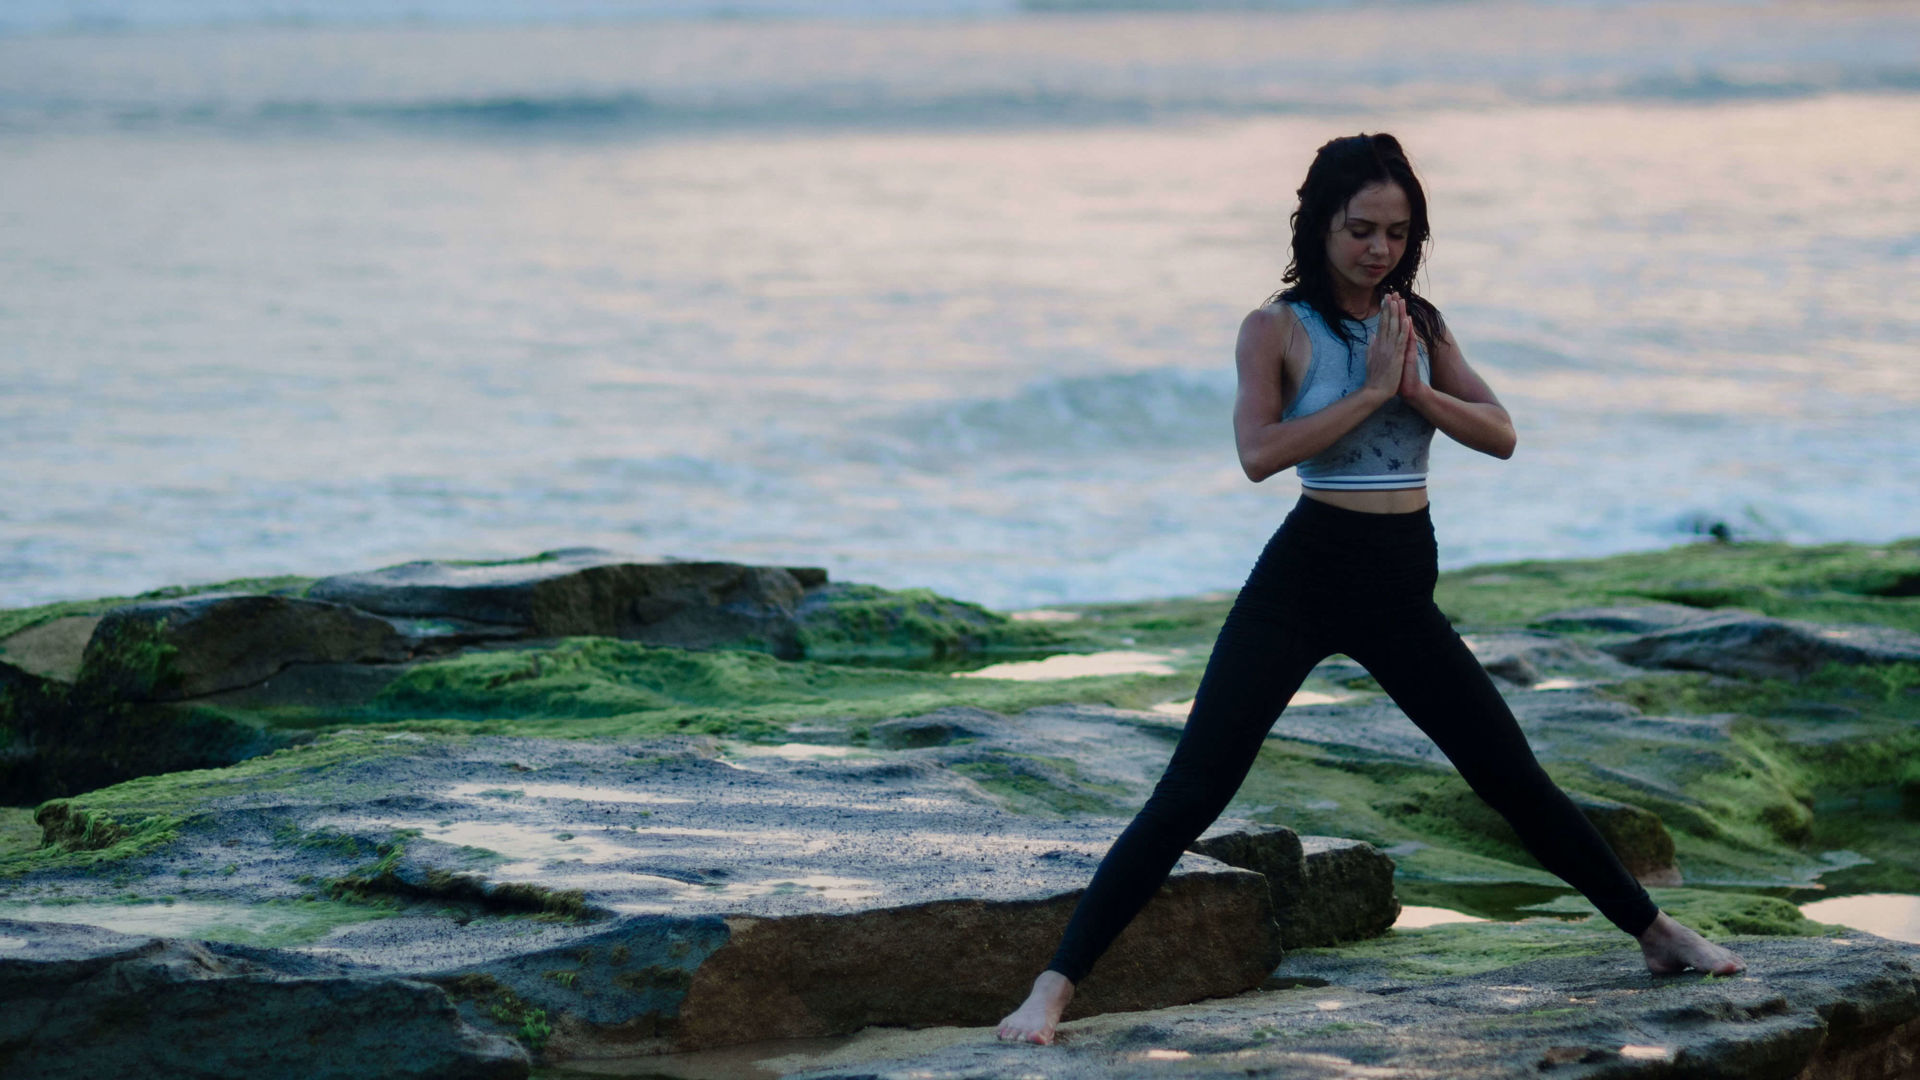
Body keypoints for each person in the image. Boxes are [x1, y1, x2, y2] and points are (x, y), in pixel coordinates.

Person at [995, 132, 1744, 1046]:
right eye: (1360, 229)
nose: (1378, 249)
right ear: (1318, 226)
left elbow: (1502, 433)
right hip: (1306, 575)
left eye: (1396, 232)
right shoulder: (1275, 329)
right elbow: (1258, 455)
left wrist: (1419, 392)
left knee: (1508, 775)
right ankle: (1053, 991)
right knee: (1193, 790)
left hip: (1399, 584)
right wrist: (1370, 393)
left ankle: (1657, 934)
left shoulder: (1418, 321)